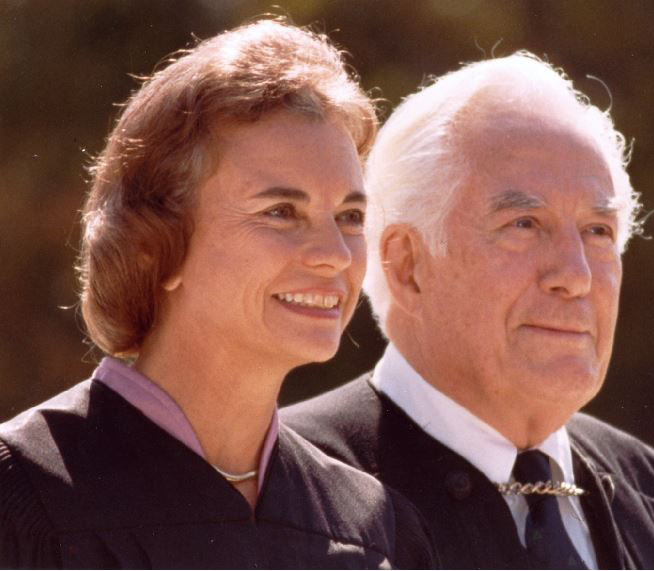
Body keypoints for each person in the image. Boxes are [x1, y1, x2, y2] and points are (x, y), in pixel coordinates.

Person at [0, 19, 437, 568]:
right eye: (281, 212)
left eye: (350, 216)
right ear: (155, 247)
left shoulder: (376, 529)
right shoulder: (23, 498)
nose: (336, 254)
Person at [284, 52, 654, 569]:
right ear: (408, 266)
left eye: (598, 231)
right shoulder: (286, 496)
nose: (576, 275)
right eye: (524, 224)